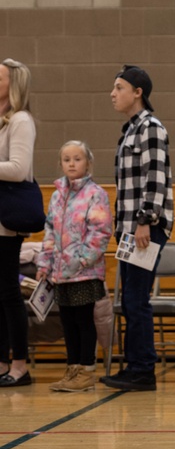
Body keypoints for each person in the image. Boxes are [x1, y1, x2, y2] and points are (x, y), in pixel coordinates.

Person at [101, 65, 173, 392]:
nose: (113, 94)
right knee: (130, 299)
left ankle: (143, 369)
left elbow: (154, 179)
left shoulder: (150, 128)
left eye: (119, 88)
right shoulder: (130, 130)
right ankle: (135, 366)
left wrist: (145, 220)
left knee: (136, 298)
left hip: (145, 227)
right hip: (130, 228)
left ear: (137, 92)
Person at [35, 141, 112, 393]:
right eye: (66, 159)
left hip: (83, 273)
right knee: (67, 321)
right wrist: (45, 263)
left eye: (77, 159)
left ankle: (86, 370)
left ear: (87, 162)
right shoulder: (57, 195)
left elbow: (100, 233)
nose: (71, 163)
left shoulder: (96, 194)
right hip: (59, 273)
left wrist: (80, 261)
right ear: (61, 163)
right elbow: (49, 231)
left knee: (83, 320)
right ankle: (72, 368)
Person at [0, 59, 37, 388]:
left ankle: (19, 365)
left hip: (6, 222)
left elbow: (18, 168)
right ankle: (1, 363)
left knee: (9, 293)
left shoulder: (21, 120)